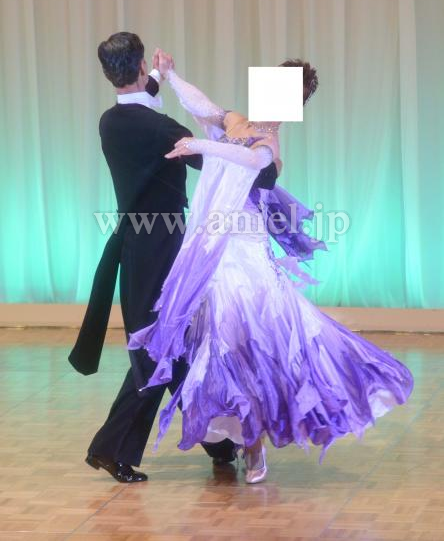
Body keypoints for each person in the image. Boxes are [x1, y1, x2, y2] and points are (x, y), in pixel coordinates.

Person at [128, 52, 414, 484]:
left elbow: (252, 162)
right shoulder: (237, 121)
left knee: (253, 344)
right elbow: (204, 107)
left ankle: (255, 446)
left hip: (245, 254)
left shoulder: (270, 145)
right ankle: (247, 443)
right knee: (223, 345)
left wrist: (199, 145)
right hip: (213, 249)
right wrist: (171, 75)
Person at [68, 32, 280, 483]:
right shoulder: (161, 129)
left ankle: (219, 443)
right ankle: (110, 448)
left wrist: (160, 77)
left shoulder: (110, 122)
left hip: (135, 246)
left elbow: (141, 99)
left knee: (182, 352)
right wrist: (263, 152)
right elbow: (218, 161)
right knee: (158, 354)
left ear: (110, 74)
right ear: (140, 65)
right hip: (162, 250)